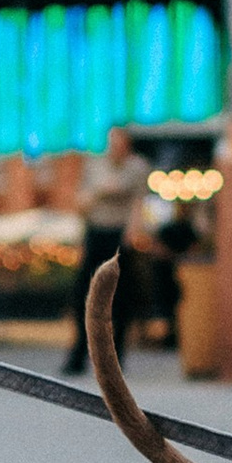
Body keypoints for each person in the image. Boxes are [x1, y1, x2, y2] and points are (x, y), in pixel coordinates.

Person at [61, 123, 149, 372]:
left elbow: (137, 203)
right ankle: (79, 354)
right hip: (96, 233)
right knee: (83, 297)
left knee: (120, 300)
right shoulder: (95, 166)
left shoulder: (136, 167)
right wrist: (102, 191)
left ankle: (115, 358)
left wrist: (133, 234)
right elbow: (81, 203)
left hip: (119, 237)